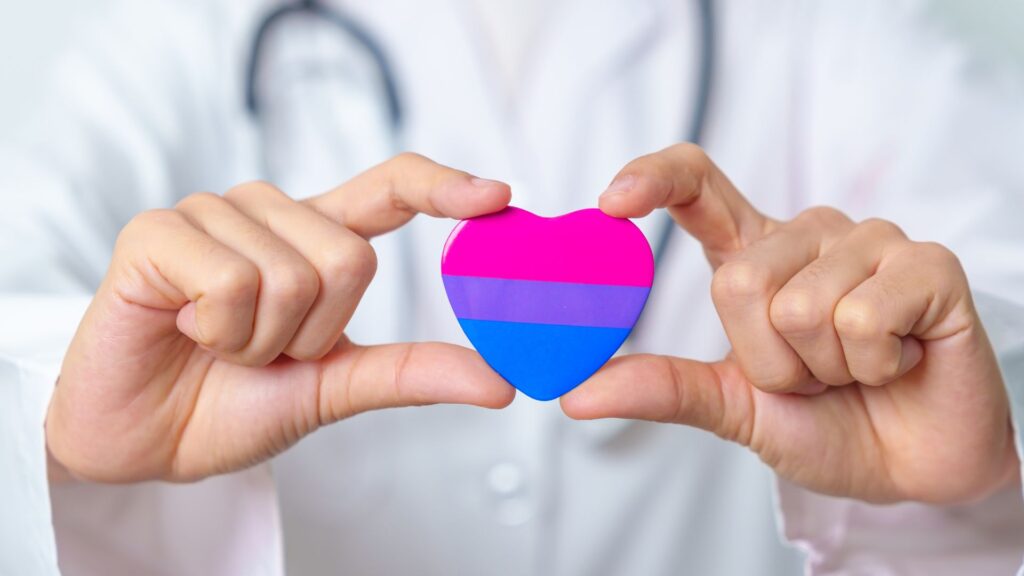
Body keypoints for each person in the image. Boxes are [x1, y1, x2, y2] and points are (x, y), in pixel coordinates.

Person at [2, 0, 1024, 574]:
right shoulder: (179, 33)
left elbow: (994, 298)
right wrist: (61, 412)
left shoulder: (840, 37)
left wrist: (983, 414)